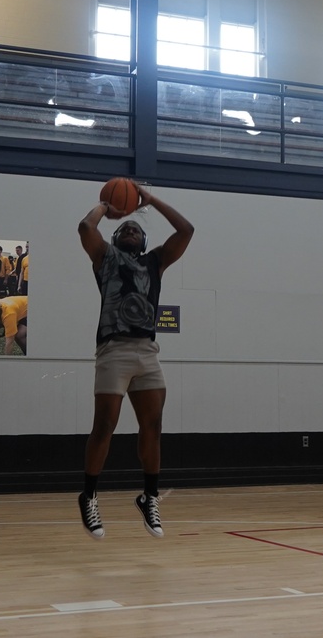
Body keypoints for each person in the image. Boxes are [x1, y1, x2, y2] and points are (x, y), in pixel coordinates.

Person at [76, 185, 194, 540]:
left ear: (143, 243)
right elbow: (84, 228)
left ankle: (149, 496)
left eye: (136, 230)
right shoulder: (106, 259)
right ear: (115, 236)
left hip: (147, 350)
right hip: (114, 350)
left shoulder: (155, 262)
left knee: (153, 427)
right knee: (106, 425)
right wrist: (105, 206)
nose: (131, 230)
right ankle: (90, 494)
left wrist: (151, 200)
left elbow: (186, 230)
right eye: (126, 228)